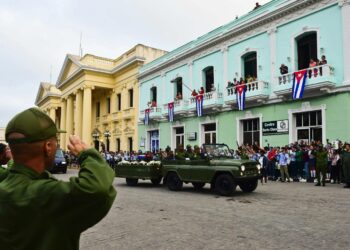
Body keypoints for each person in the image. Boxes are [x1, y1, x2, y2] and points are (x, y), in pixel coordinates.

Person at [0, 107, 117, 249]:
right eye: (55, 141)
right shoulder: (46, 195)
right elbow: (97, 189)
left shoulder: (5, 187)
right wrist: (87, 155)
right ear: (48, 147)